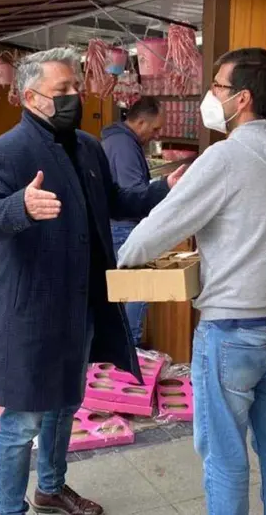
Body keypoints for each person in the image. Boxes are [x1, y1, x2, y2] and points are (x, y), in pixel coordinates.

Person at [0, 47, 185, 515]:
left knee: (66, 402)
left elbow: (117, 200)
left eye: (74, 89)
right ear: (30, 96)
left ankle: (51, 487)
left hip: (82, 305)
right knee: (22, 420)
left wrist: (165, 189)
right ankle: (10, 508)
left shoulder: (87, 147)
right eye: (61, 90)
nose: (73, 97)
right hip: (32, 310)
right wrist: (18, 207)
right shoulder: (6, 152)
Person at [118, 48, 266, 515]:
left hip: (230, 333)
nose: (211, 95)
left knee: (225, 456)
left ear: (243, 98)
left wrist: (120, 264)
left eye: (217, 87)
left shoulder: (225, 158)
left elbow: (154, 230)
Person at [99, 96, 164, 346]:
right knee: (137, 289)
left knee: (124, 291)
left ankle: (122, 346)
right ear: (139, 122)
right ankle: (129, 346)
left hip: (117, 226)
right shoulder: (123, 145)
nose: (157, 135)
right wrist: (163, 189)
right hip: (124, 227)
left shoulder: (118, 140)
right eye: (155, 128)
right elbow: (132, 194)